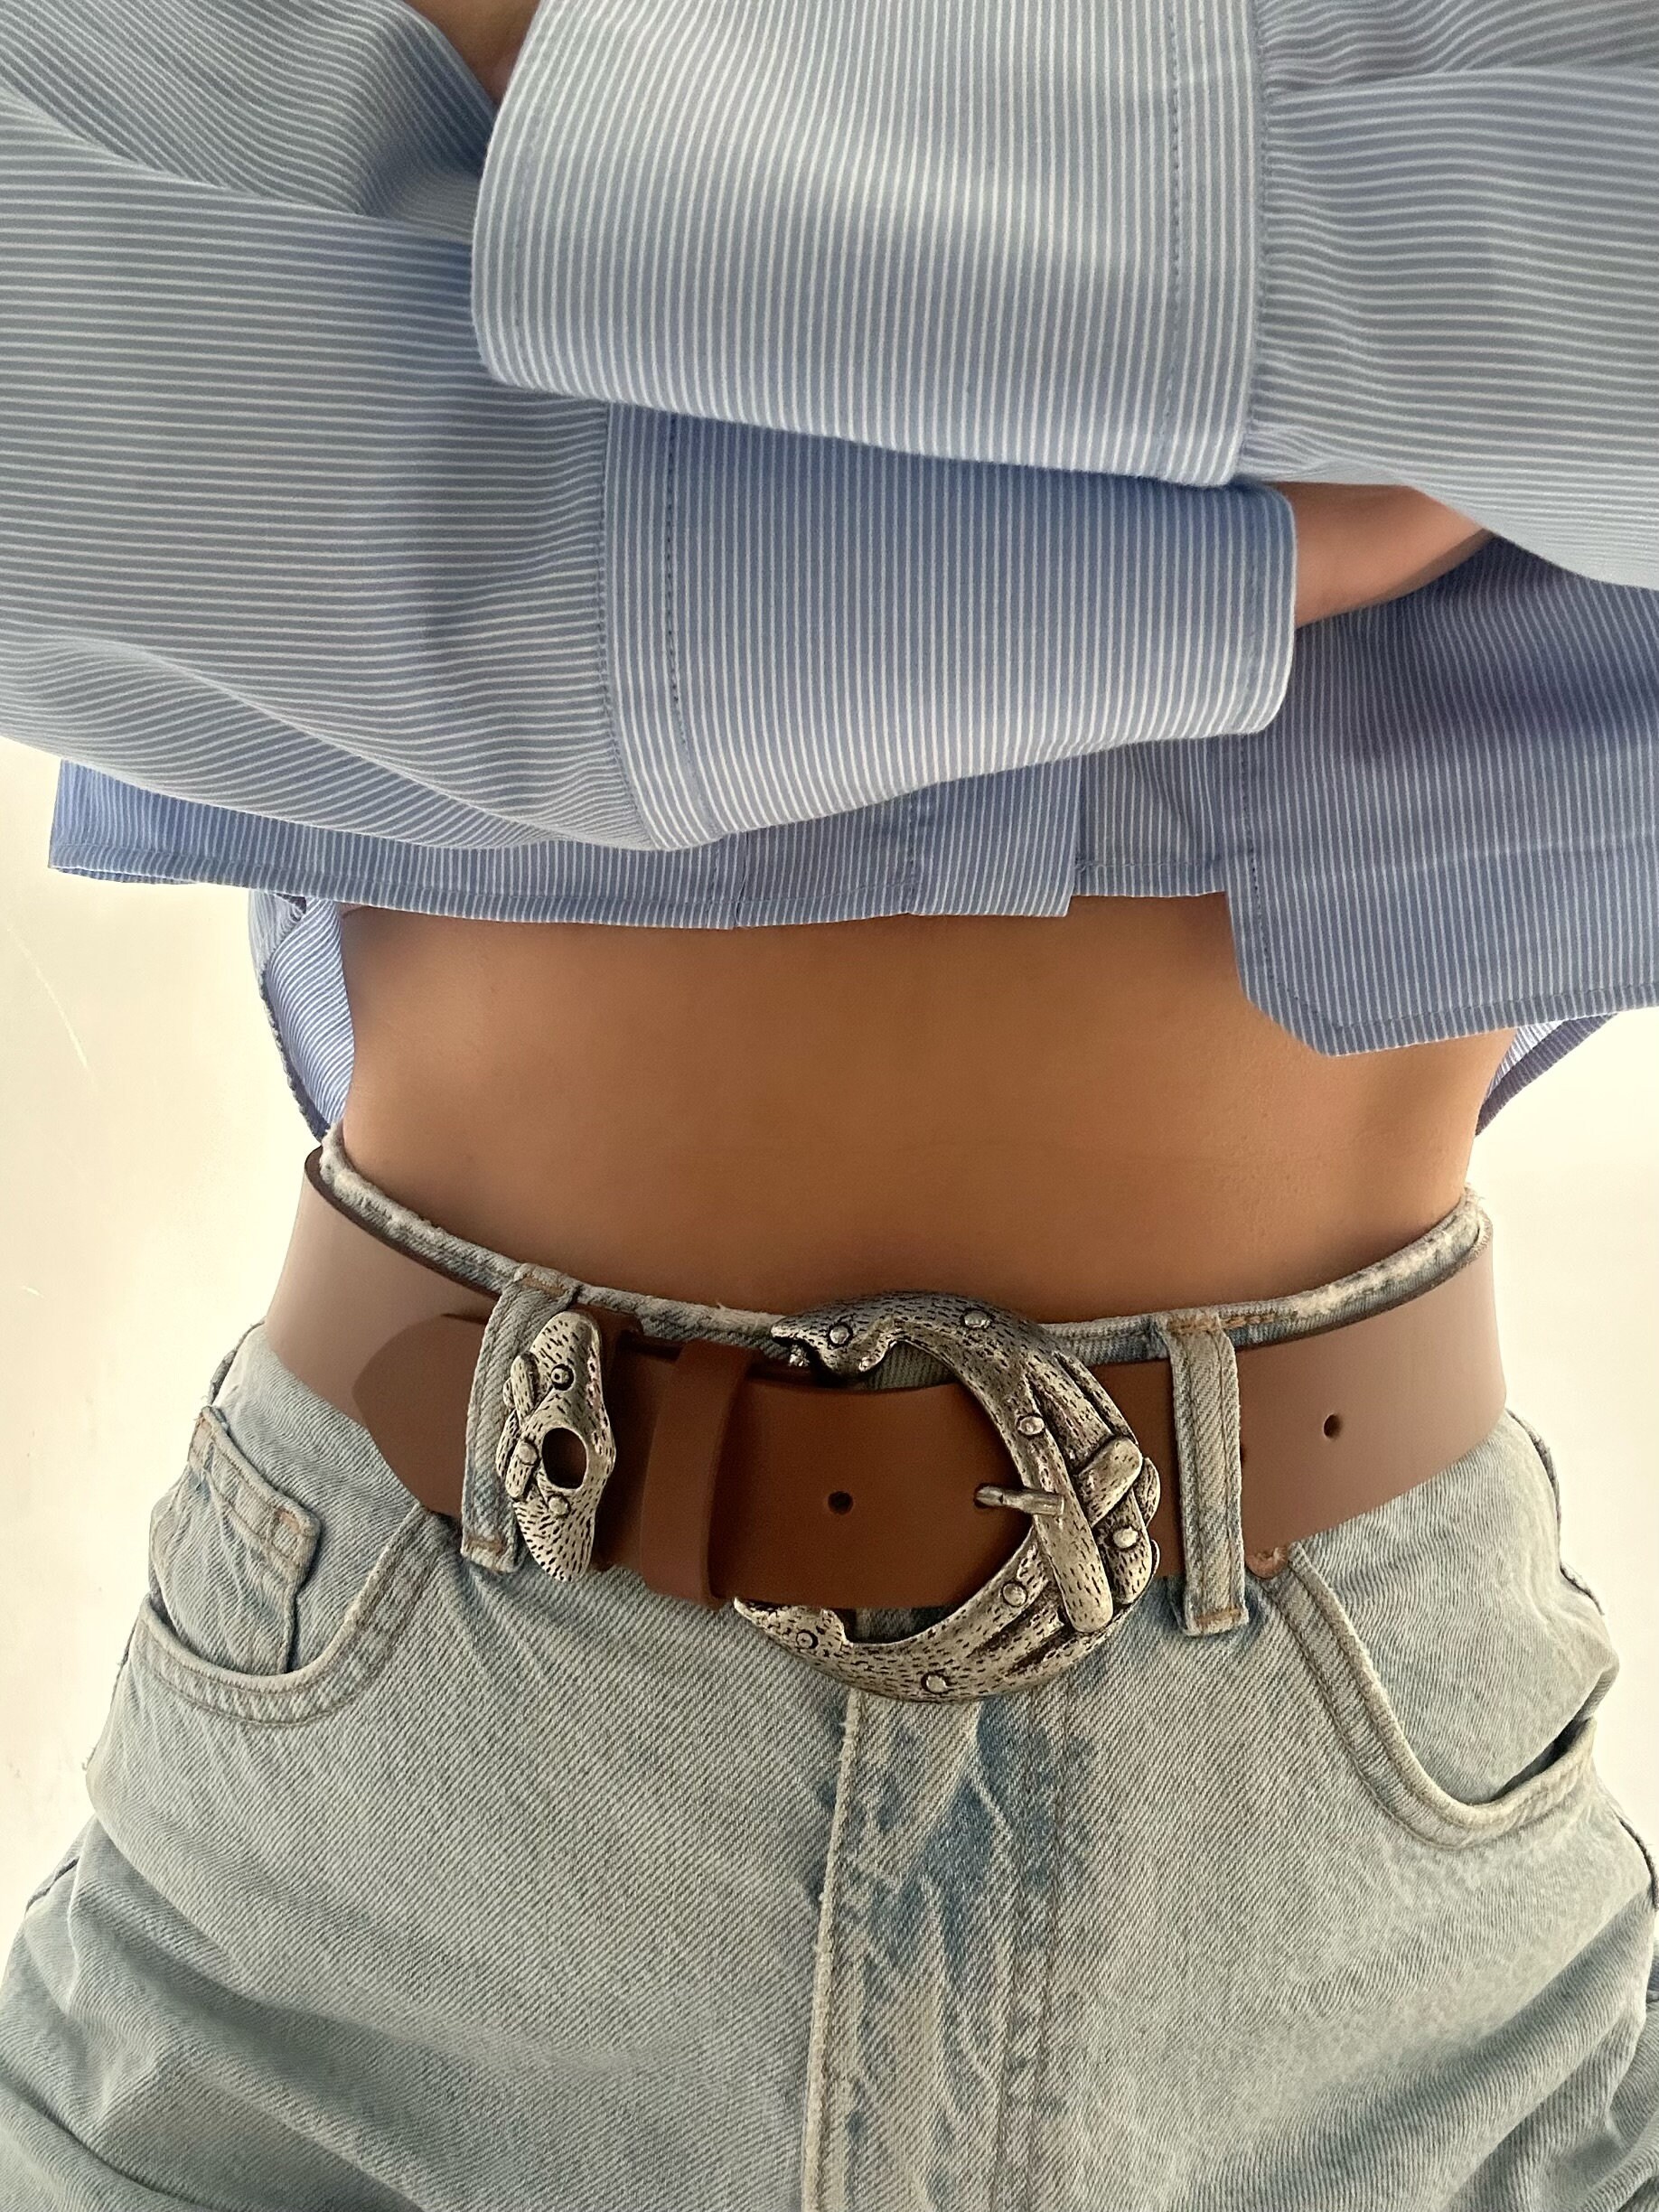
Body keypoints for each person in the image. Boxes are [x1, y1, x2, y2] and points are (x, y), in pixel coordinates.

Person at [0, 1, 1655, 2207]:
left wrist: (589, 159)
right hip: (381, 1879)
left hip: (1385, 1936)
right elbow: (61, 396)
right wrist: (1263, 490)